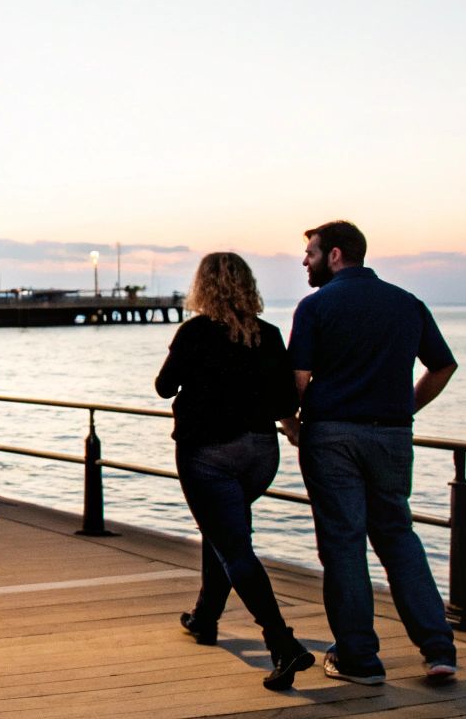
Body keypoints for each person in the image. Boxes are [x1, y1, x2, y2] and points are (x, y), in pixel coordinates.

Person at [284, 220, 459, 685]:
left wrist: (291, 424)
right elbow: (444, 365)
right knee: (399, 537)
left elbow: (296, 382)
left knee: (343, 545)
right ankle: (439, 650)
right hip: (393, 436)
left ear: (336, 255)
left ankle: (360, 658)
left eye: (311, 253)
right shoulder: (407, 303)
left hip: (332, 436)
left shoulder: (315, 307)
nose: (305, 261)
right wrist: (406, 407)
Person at [156, 252, 314, 691]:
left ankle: (282, 643)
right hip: (260, 454)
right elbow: (287, 403)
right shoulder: (268, 335)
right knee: (223, 530)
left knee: (233, 546)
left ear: (203, 287)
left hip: (208, 453)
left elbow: (164, 386)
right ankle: (206, 617)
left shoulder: (194, 333)